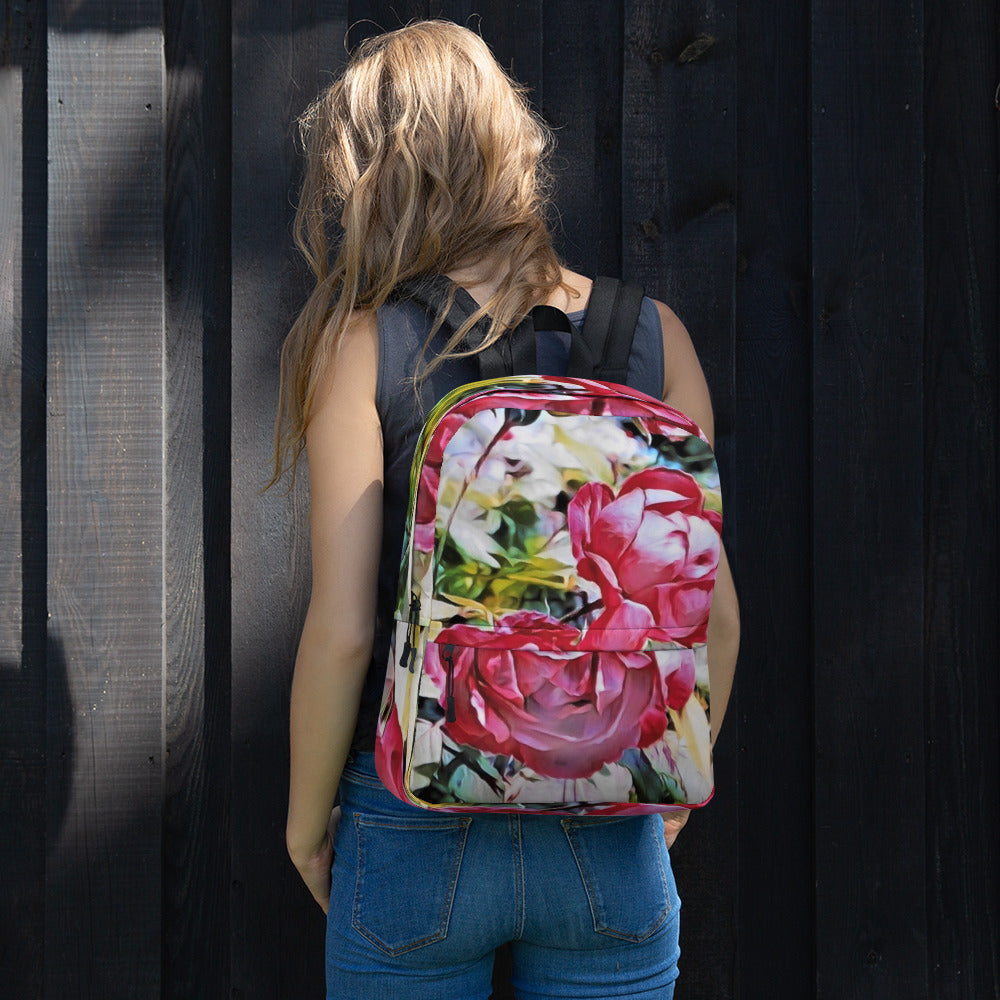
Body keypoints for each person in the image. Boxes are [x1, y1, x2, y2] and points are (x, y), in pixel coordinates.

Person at [273, 20, 740, 1000]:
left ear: (372, 176)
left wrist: (306, 825)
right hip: (608, 826)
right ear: (512, 147)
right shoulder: (657, 336)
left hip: (414, 820)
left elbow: (347, 626)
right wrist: (672, 803)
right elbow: (715, 617)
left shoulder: (362, 344)